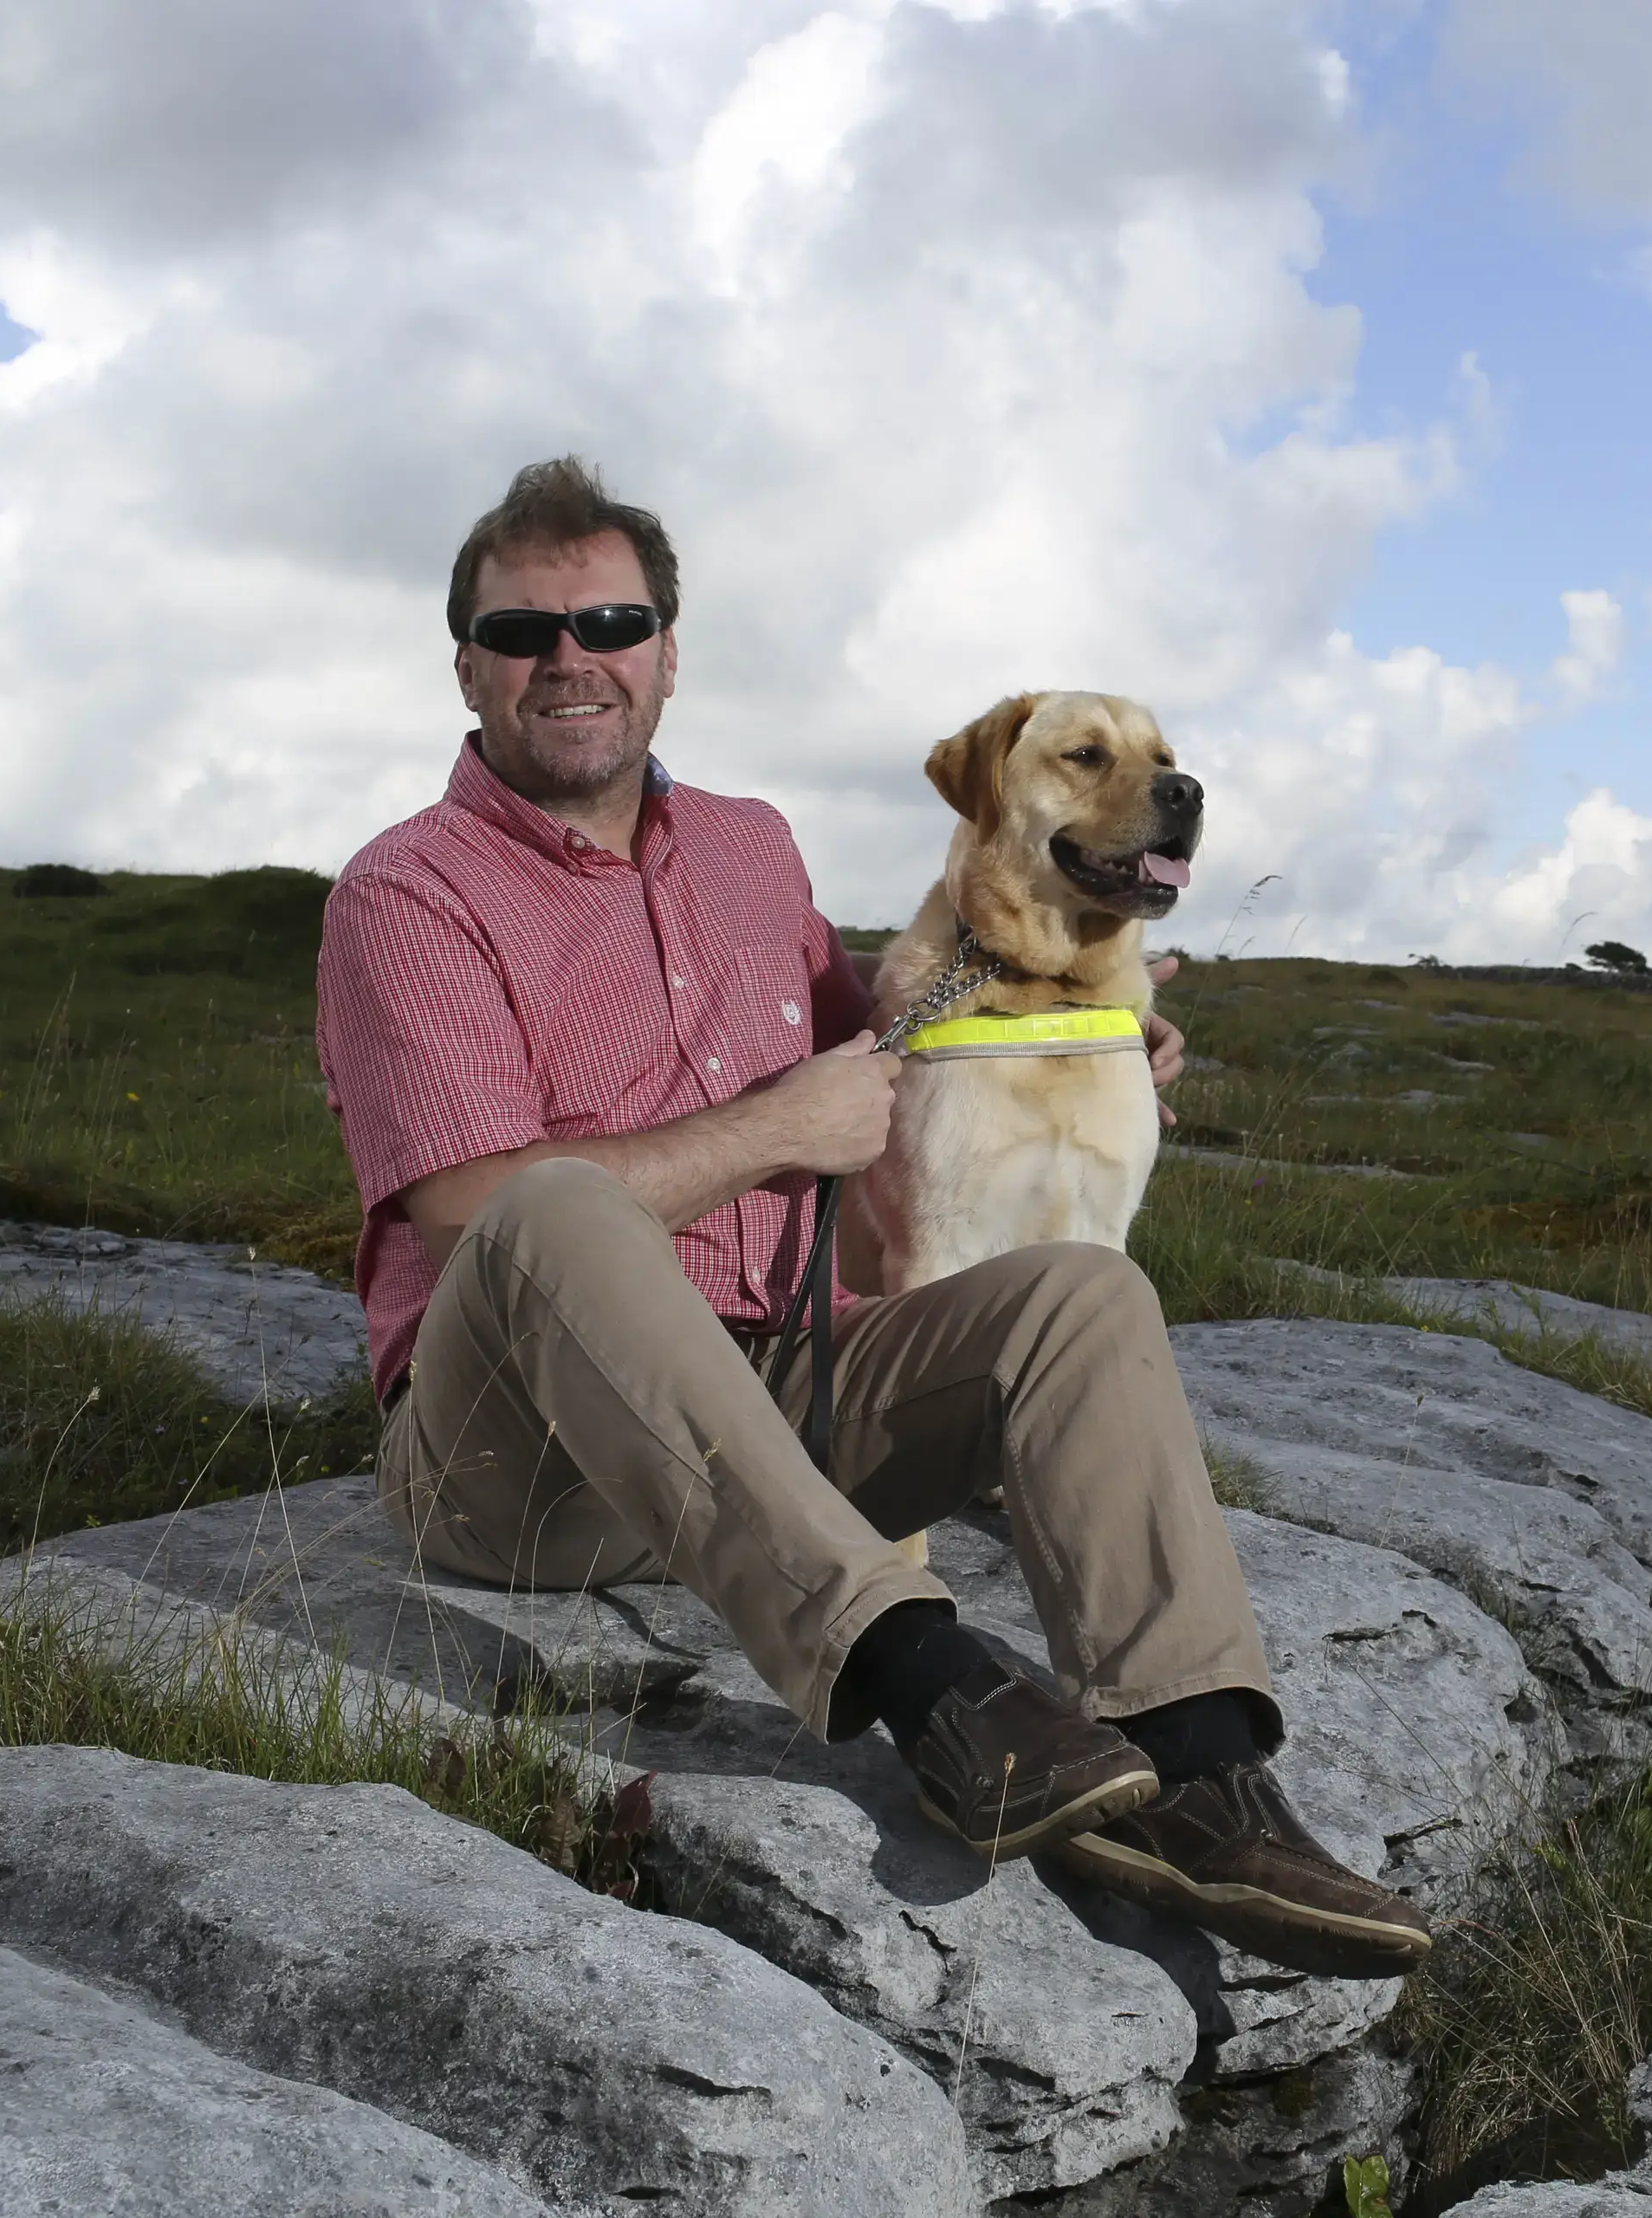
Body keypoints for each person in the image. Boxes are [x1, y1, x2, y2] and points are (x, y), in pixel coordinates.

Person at [314, 457, 1427, 1979]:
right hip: (526, 1464)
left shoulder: (751, 846)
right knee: (553, 1204)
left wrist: (1085, 1028)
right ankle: (931, 1681)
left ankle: (1203, 1773)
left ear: (667, 654)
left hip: (781, 1392)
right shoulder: (406, 895)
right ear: (468, 667)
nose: (570, 660)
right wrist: (774, 1129)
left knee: (1081, 1301)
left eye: (611, 622)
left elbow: (889, 1048)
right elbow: (464, 1215)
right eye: (523, 634)